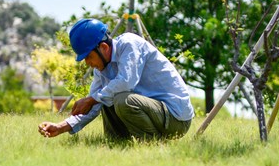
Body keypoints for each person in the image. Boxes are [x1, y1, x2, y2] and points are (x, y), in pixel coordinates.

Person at [39, 19, 194, 142]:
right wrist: (61, 127)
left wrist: (92, 99)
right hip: (155, 115)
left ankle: (152, 143)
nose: (87, 63)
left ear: (104, 48)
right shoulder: (101, 70)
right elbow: (92, 106)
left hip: (176, 118)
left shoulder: (129, 44)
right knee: (105, 98)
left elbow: (127, 81)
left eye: (88, 57)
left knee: (120, 99)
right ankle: (117, 143)